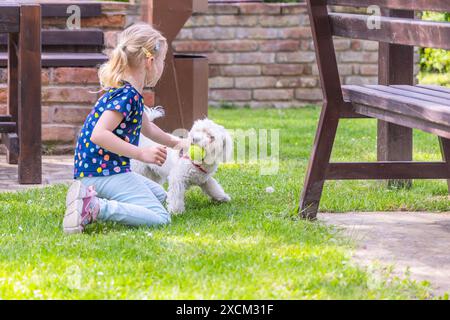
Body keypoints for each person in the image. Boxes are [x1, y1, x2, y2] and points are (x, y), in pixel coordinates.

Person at [63, 23, 181, 234]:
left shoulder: (127, 92)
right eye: (163, 60)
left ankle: (87, 197)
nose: (164, 65)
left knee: (161, 197)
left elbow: (148, 129)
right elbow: (98, 135)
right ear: (150, 61)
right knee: (161, 217)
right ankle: (94, 206)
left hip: (103, 171)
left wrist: (178, 143)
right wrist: (141, 153)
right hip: (103, 173)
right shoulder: (127, 96)